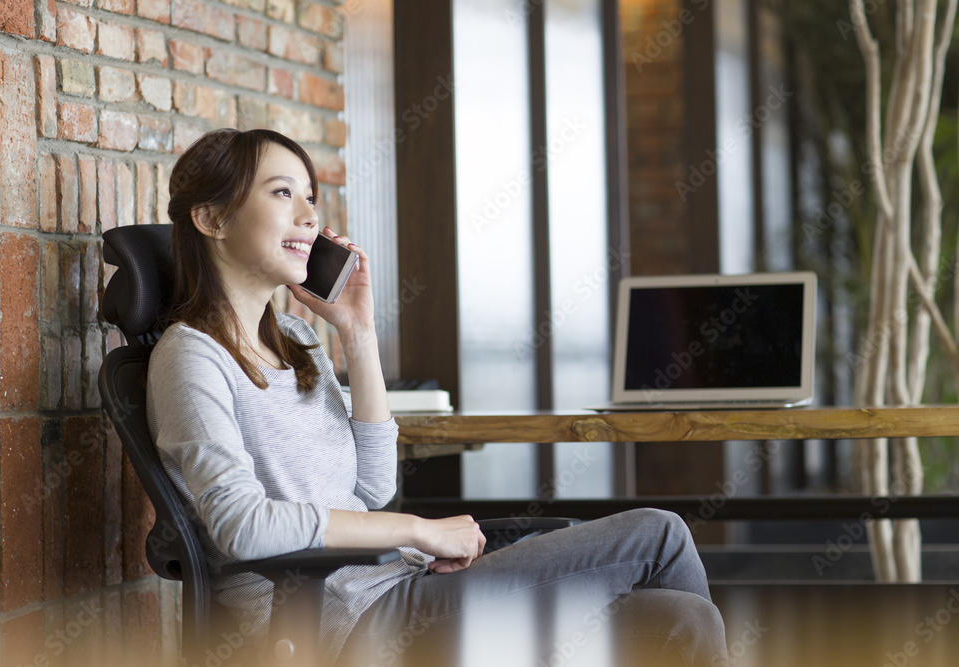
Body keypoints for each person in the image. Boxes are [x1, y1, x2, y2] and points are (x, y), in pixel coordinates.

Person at [147, 128, 728, 667]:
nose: (309, 217)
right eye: (282, 193)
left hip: (405, 587)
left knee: (681, 619)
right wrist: (417, 530)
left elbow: (372, 486)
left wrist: (358, 332)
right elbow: (242, 527)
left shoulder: (297, 339)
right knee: (661, 532)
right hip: (344, 626)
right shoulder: (192, 357)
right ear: (213, 218)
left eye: (310, 198)